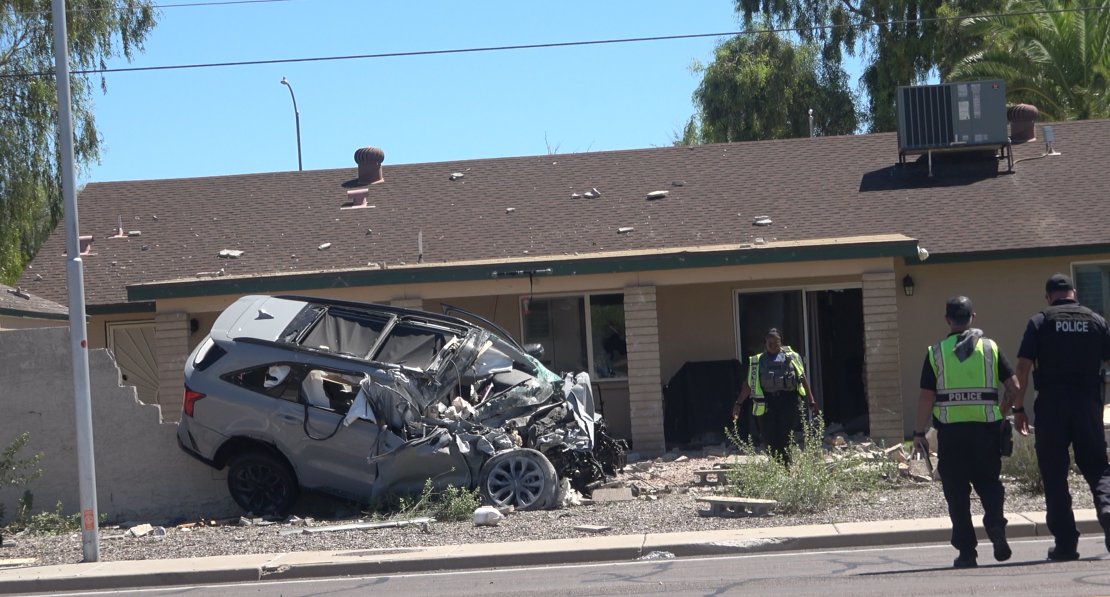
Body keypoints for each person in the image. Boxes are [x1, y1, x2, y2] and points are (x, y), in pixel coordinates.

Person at [912, 296, 1020, 568]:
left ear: (948, 320)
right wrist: (1002, 413)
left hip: (951, 435)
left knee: (957, 493)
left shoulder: (935, 353)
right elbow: (1015, 387)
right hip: (985, 432)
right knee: (989, 485)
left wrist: (918, 433)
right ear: (973, 317)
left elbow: (926, 398)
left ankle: (967, 553)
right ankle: (995, 524)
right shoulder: (990, 349)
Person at [1013, 274, 1110, 561]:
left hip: (1052, 406)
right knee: (1097, 467)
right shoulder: (1096, 321)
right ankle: (1107, 508)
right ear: (1074, 292)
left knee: (1054, 473)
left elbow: (1022, 366)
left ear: (1048, 295)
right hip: (1088, 404)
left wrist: (1019, 409)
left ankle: (1066, 544)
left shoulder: (1040, 321)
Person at [732, 328, 817, 463]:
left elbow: (802, 378)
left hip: (789, 402)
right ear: (765, 344)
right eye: (769, 343)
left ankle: (786, 470)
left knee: (785, 438)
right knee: (768, 439)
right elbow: (749, 384)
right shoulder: (757, 361)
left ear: (781, 342)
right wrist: (738, 404)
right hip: (767, 403)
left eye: (776, 343)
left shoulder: (793, 357)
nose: (773, 346)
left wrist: (811, 399)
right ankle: (777, 470)